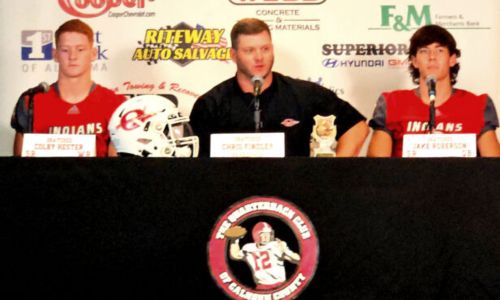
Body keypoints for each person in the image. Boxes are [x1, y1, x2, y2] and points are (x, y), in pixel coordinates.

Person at [189, 18, 368, 157]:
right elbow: (195, 162)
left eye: (265, 49)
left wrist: (332, 171)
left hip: (296, 197)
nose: (259, 57)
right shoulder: (210, 104)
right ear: (233, 55)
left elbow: (357, 127)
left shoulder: (305, 94)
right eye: (249, 50)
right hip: (230, 198)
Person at [367, 24, 500, 157]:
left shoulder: (477, 105)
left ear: (452, 59)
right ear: (414, 61)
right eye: (424, 51)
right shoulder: (392, 103)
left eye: (440, 50)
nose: (432, 56)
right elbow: (377, 168)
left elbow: (493, 169)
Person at [11, 19, 125, 157]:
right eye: (65, 50)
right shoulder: (31, 101)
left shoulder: (115, 104)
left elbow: (119, 169)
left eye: (80, 49)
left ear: (94, 53)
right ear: (55, 54)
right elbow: (18, 168)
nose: (72, 56)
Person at [228, 222, 300, 290]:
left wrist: (287, 251)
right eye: (263, 233)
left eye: (268, 234)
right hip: (261, 287)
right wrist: (234, 240)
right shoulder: (248, 248)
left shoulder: (276, 245)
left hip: (280, 286)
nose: (266, 236)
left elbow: (298, 260)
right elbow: (235, 255)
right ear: (256, 234)